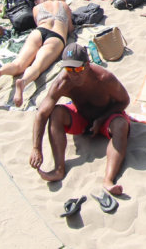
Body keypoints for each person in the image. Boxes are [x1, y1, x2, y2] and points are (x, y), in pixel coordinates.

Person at [30, 44, 131, 195]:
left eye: (77, 69)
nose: (73, 74)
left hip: (107, 117)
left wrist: (102, 119)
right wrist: (36, 148)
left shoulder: (104, 78)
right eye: (69, 69)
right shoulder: (63, 82)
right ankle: (59, 169)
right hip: (83, 118)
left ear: (88, 65)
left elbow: (124, 101)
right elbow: (42, 113)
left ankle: (108, 180)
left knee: (121, 125)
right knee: (56, 112)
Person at [0, 0, 74, 108]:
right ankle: (23, 82)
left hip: (38, 32)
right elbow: (70, 28)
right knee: (37, 66)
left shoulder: (37, 9)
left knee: (19, 63)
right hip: (56, 36)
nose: (35, 2)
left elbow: (38, 23)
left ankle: (0, 72)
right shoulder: (63, 5)